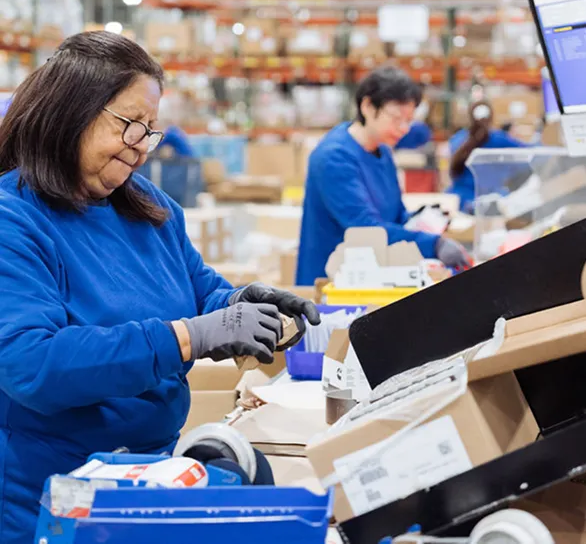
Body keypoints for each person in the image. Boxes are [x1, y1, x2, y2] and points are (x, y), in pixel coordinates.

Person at [0, 31, 320, 543]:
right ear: (70, 112)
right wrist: (189, 337)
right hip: (55, 500)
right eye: (130, 126)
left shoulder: (142, 202)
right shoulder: (14, 220)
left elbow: (197, 293)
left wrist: (241, 305)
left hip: (150, 475)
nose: (142, 148)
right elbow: (31, 365)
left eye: (150, 131)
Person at [296, 66, 470, 286]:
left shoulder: (383, 152)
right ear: (368, 106)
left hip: (372, 278)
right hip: (331, 285)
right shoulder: (333, 158)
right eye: (397, 118)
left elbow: (396, 215)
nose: (404, 128)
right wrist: (433, 244)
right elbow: (366, 229)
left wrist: (425, 219)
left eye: (409, 120)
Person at [446, 101, 530, 213]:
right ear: (491, 117)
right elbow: (529, 152)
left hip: (459, 202)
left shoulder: (457, 139)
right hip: (490, 203)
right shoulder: (499, 139)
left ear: (470, 117)